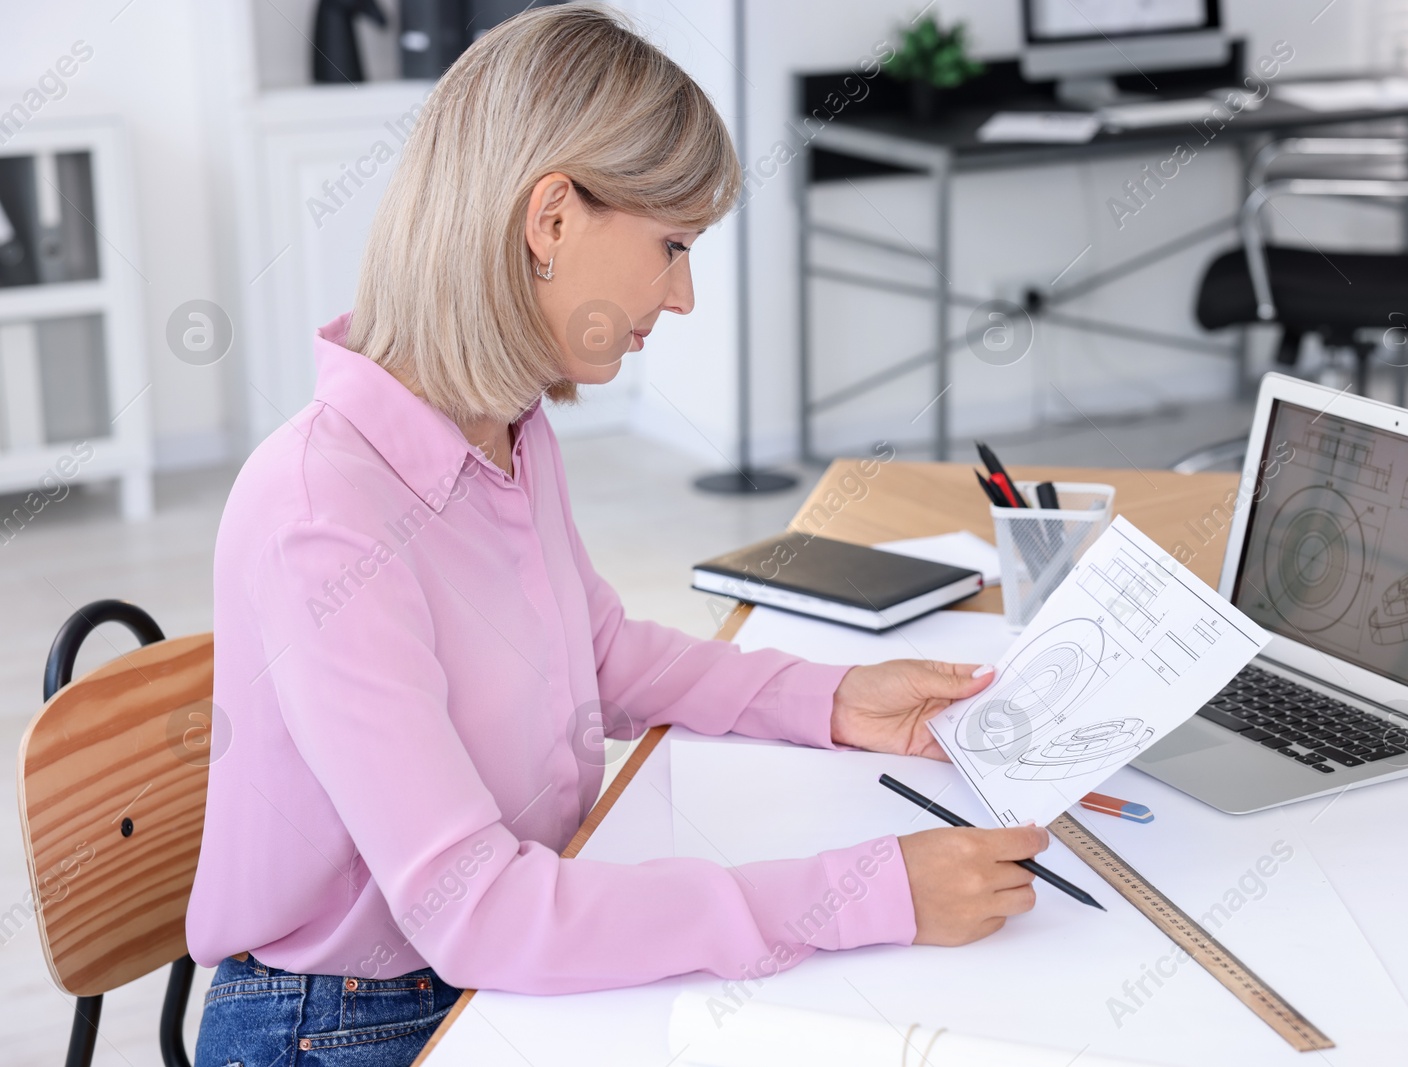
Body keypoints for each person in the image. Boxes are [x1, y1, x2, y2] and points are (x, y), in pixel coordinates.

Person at [187, 6, 1046, 1063]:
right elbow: (482, 913)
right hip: (350, 1017)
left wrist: (829, 698)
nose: (681, 295)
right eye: (671, 246)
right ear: (551, 217)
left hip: (477, 963)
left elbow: (593, 653)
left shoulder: (504, 424)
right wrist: (862, 891)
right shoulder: (321, 511)